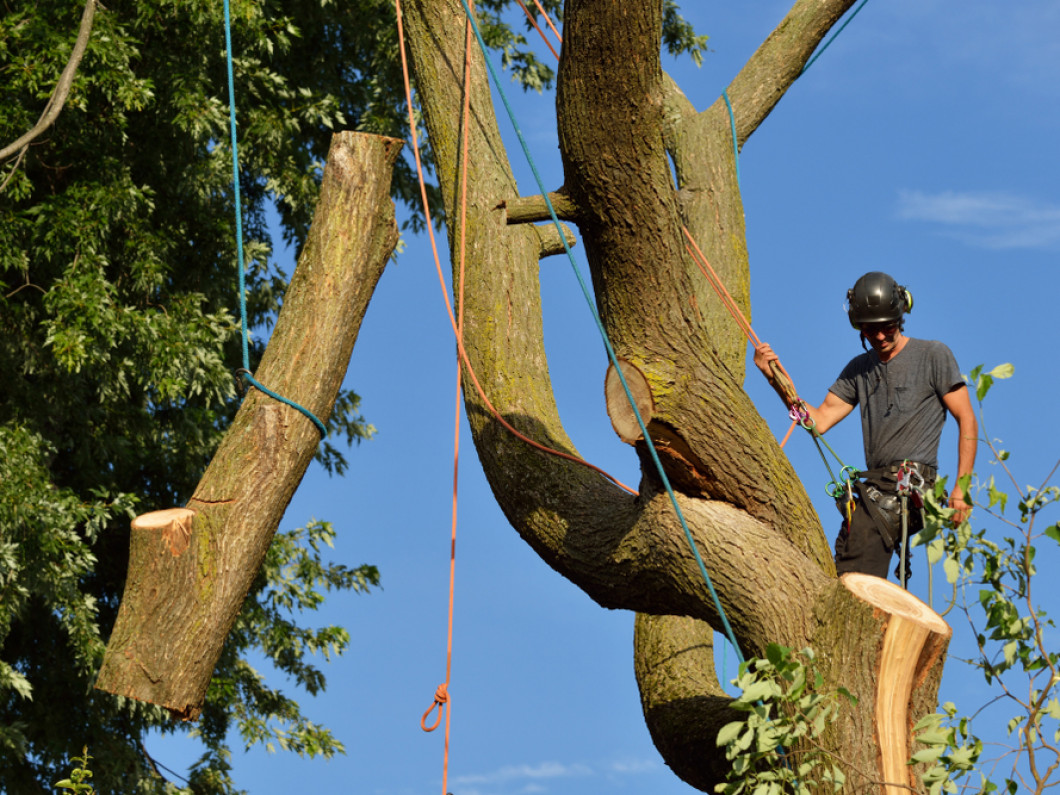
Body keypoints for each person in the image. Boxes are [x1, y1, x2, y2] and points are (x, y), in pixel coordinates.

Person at [753, 271, 978, 581]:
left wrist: (961, 489)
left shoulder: (933, 355)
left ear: (901, 316)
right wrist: (773, 377)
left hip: (910, 484)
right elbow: (819, 421)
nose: (881, 337)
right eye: (871, 331)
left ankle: (859, 617)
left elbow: (967, 418)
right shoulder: (859, 369)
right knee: (847, 550)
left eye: (887, 328)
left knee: (861, 554)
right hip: (875, 486)